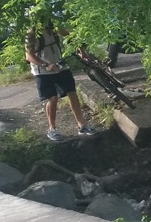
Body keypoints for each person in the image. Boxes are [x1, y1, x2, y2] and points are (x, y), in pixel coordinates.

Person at [24, 12, 97, 142]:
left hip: (60, 66)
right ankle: (52, 129)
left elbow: (70, 37)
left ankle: (82, 126)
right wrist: (46, 65)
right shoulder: (31, 35)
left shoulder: (55, 28)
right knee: (52, 98)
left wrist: (81, 50)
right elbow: (29, 56)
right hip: (42, 72)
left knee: (72, 93)